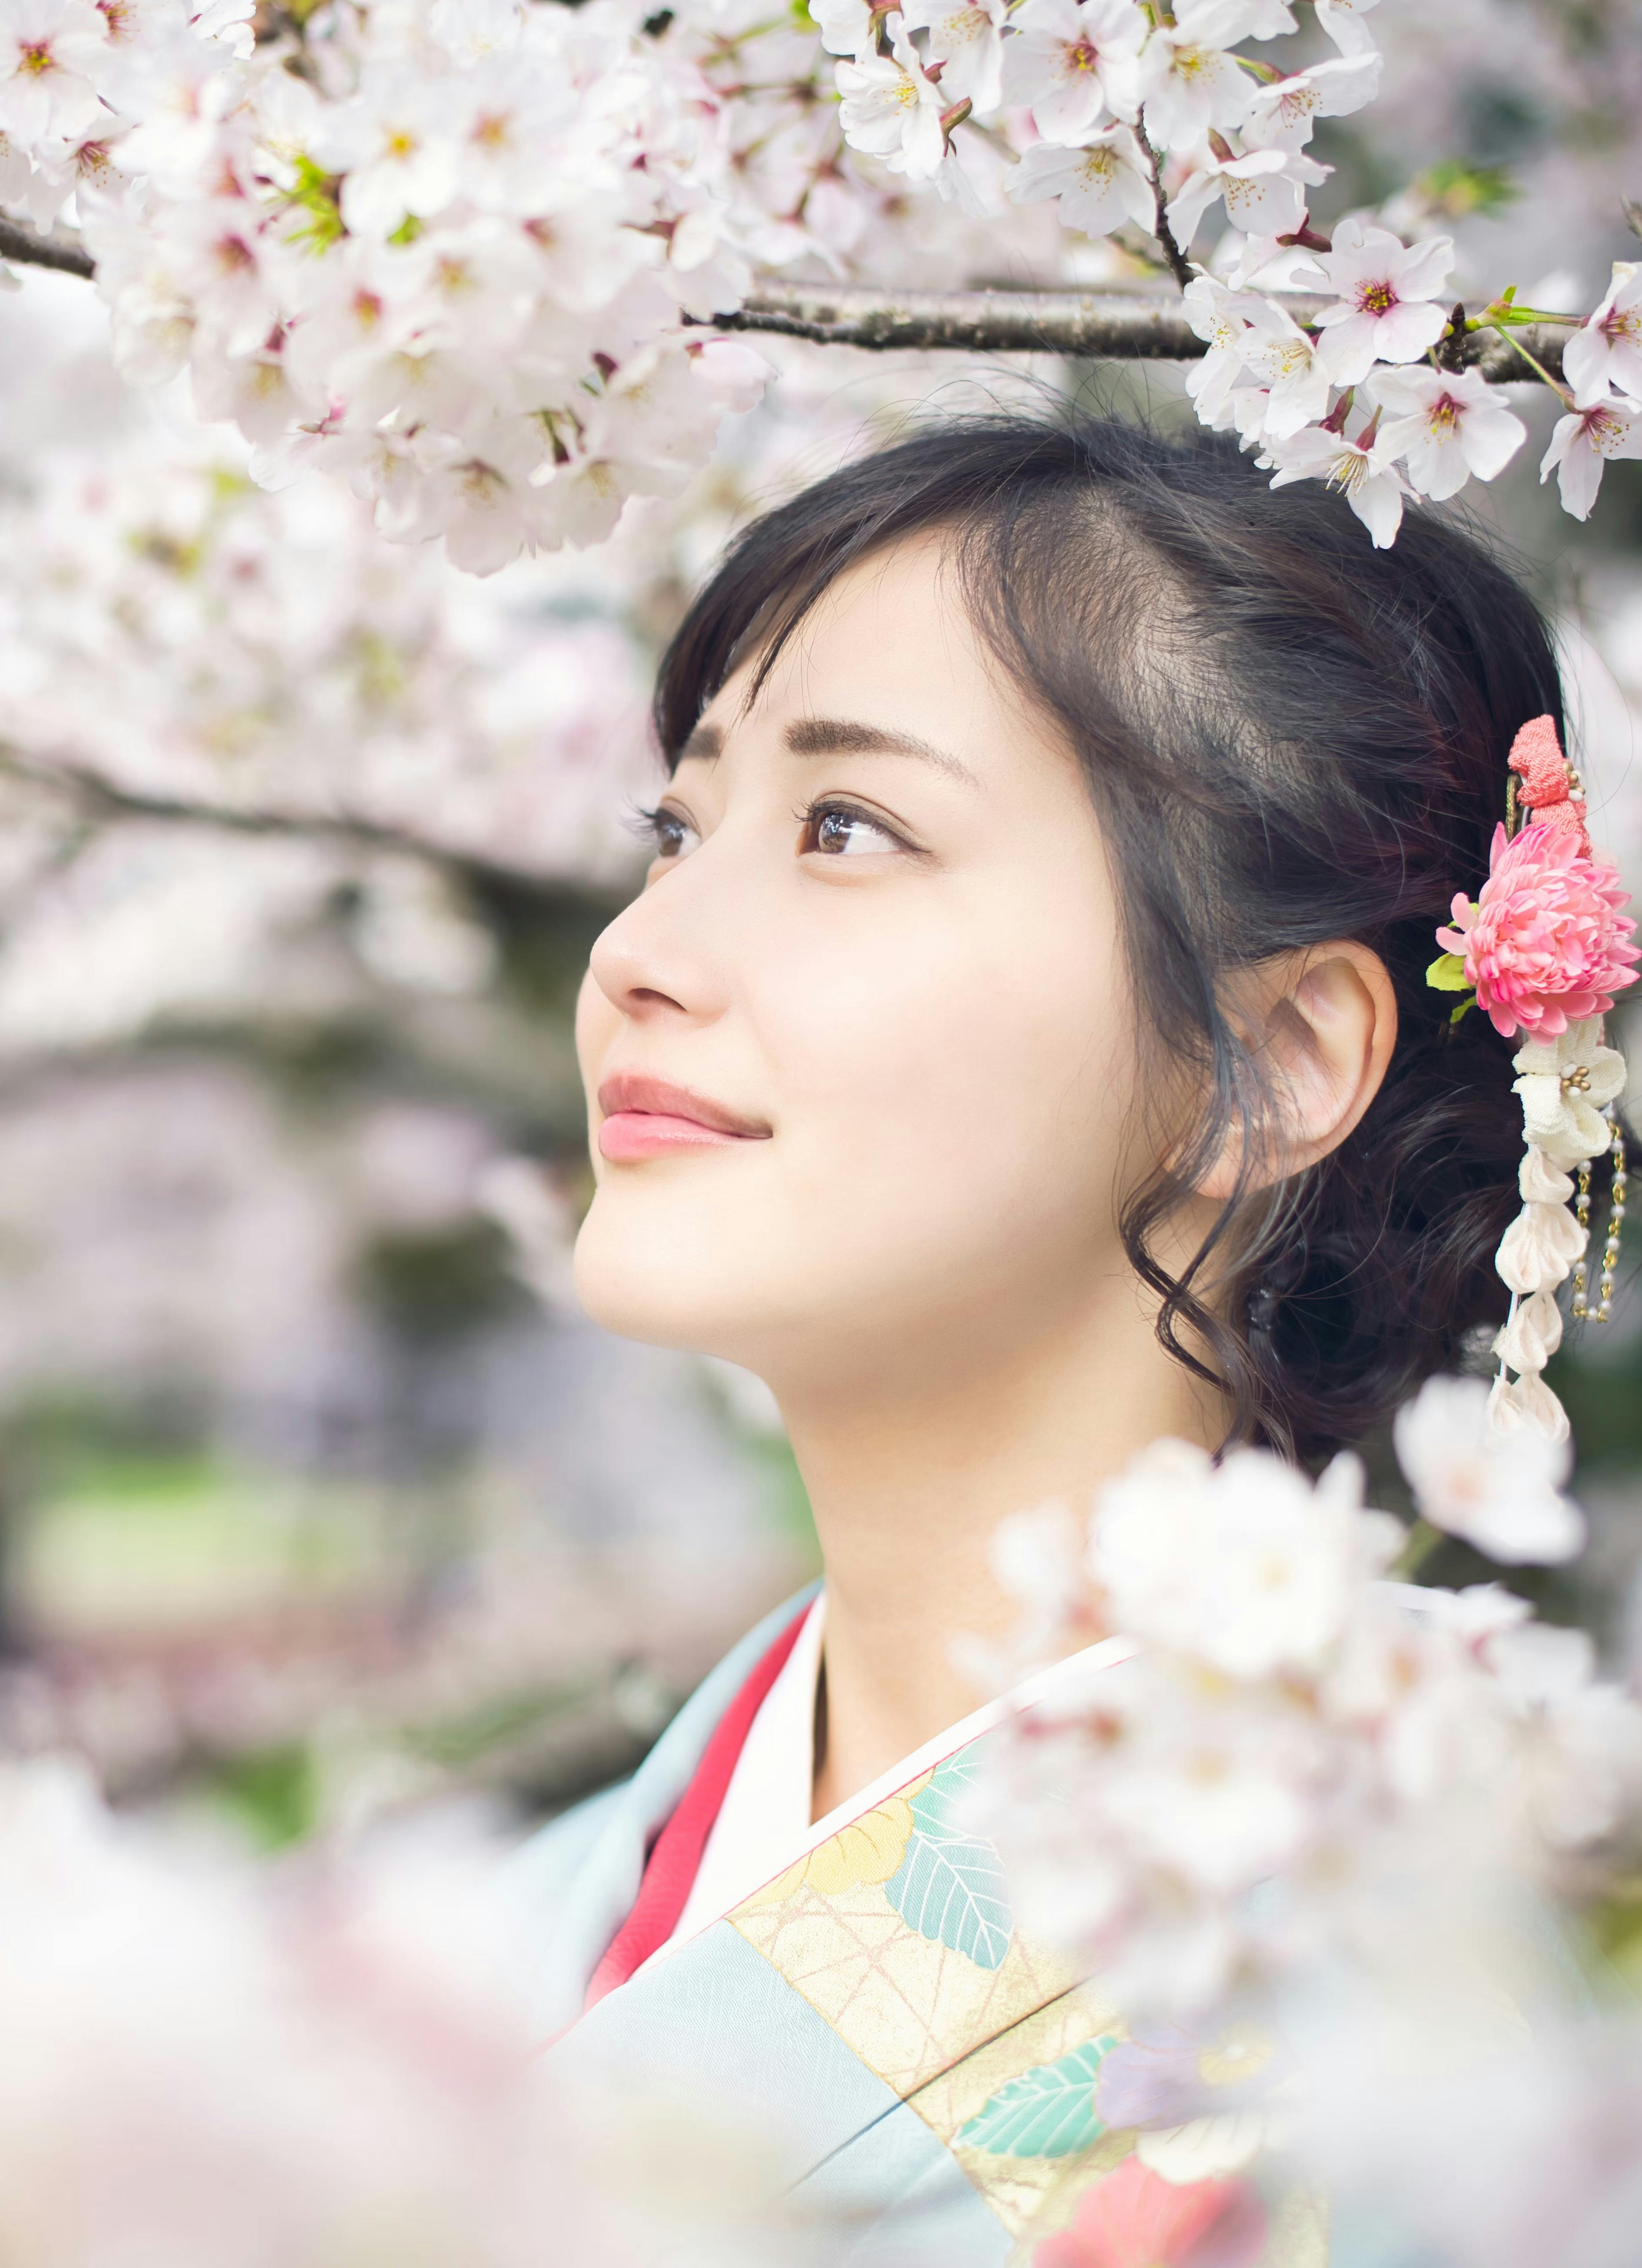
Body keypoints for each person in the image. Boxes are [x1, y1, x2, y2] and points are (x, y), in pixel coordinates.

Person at [509, 413, 1571, 2264]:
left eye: (846, 827)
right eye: (676, 828)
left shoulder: (1479, 2015)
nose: (639, 948)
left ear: (1276, 1063)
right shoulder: (514, 1935)